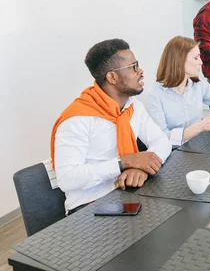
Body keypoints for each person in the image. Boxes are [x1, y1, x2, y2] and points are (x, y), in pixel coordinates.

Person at [51, 39, 171, 213]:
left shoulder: (133, 106)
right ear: (112, 77)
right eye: (134, 67)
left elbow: (161, 140)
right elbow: (67, 178)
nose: (141, 71)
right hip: (90, 206)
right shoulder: (77, 118)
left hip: (128, 193)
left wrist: (141, 168)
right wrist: (124, 163)